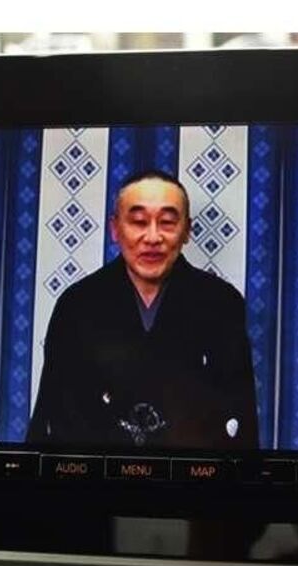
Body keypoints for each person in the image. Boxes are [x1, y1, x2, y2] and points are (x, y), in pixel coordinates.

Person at [27, 170, 259, 449]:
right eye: (138, 221)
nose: (152, 237)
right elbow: (53, 415)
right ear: (115, 229)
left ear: (187, 230)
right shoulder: (77, 304)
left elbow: (239, 419)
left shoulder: (221, 303)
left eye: (167, 222)